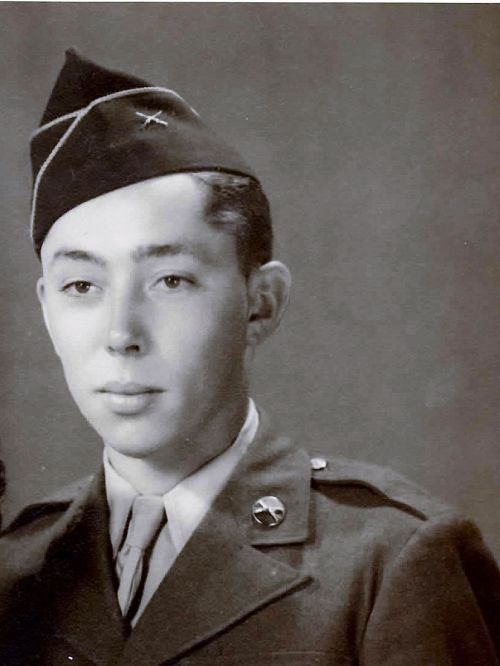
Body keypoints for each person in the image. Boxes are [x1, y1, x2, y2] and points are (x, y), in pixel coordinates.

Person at [0, 49, 499, 666]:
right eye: (82, 286)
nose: (121, 334)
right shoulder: (17, 566)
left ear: (261, 304)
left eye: (171, 281)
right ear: (47, 310)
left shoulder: (389, 561)